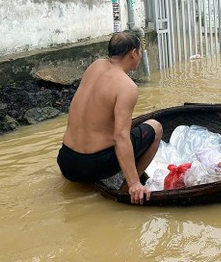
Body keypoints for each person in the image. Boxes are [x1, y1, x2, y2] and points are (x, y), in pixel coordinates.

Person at [57, 31, 162, 204]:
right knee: (156, 127)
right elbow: (120, 136)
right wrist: (135, 182)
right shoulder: (128, 87)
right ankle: (127, 189)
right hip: (92, 165)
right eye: (140, 51)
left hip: (66, 162)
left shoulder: (95, 66)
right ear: (133, 53)